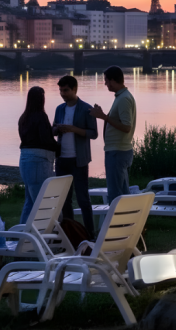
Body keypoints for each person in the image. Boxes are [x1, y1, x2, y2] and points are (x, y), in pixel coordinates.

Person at [52, 75, 99, 238]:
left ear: (74, 89)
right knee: (64, 200)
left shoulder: (86, 109)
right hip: (61, 159)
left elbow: (93, 134)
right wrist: (57, 129)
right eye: (60, 90)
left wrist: (73, 129)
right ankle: (70, 234)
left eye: (65, 90)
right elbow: (53, 129)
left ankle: (90, 234)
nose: (62, 93)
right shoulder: (59, 109)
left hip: (79, 160)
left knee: (83, 199)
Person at [89, 66, 137, 204]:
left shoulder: (123, 99)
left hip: (118, 151)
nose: (105, 84)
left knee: (115, 194)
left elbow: (126, 127)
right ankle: (127, 222)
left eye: (106, 81)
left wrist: (103, 116)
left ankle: (118, 224)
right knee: (122, 192)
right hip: (118, 150)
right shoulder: (122, 97)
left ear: (113, 80)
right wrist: (104, 115)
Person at [18, 86, 59, 224]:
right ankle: (48, 236)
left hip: (24, 159)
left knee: (30, 202)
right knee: (42, 203)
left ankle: (21, 237)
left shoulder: (23, 118)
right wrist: (59, 148)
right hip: (39, 161)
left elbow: (30, 137)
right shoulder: (41, 116)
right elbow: (45, 139)